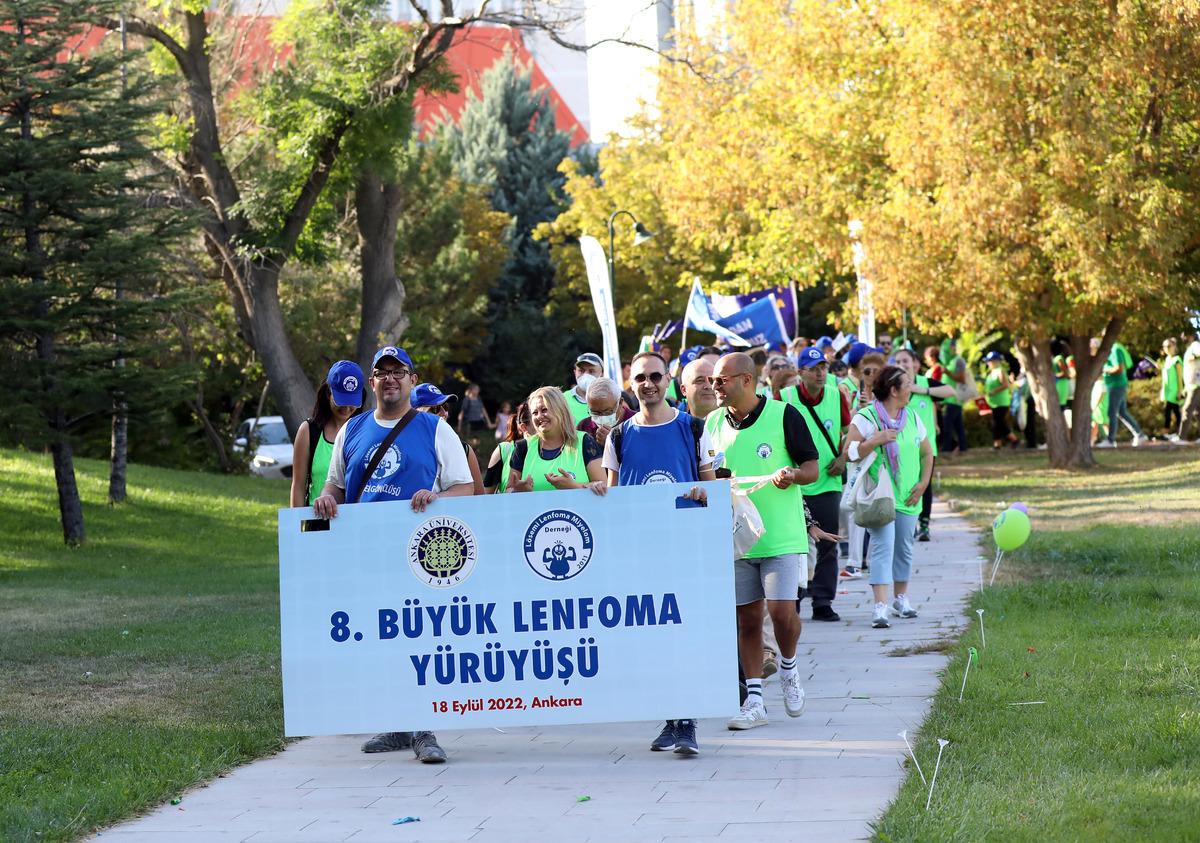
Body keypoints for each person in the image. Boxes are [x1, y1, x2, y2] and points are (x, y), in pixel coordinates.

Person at [312, 346, 474, 764]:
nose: (390, 379)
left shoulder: (434, 430)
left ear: (411, 379)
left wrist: (435, 496)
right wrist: (326, 500)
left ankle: (424, 730)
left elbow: (465, 487)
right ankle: (398, 725)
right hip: (367, 555)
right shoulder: (353, 430)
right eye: (381, 372)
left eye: (398, 372)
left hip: (423, 556)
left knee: (420, 639)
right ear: (372, 383)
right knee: (383, 640)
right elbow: (336, 486)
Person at [603, 351, 715, 756]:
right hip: (640, 553)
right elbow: (614, 499)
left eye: (655, 376)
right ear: (629, 384)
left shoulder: (695, 429)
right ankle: (671, 719)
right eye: (640, 378)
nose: (648, 384)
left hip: (684, 551)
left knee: (684, 636)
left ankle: (687, 723)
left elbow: (713, 491)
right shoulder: (618, 436)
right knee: (654, 639)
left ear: (669, 380)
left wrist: (703, 494)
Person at [706, 352, 819, 730]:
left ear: (747, 380)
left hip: (782, 535)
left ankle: (788, 666)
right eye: (711, 382)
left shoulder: (784, 415)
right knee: (747, 619)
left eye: (721, 380)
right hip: (737, 538)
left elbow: (812, 469)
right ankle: (754, 699)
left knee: (782, 613)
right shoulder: (711, 424)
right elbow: (708, 472)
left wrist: (792, 475)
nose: (714, 387)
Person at [844, 365, 934, 630]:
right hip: (880, 495)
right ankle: (880, 605)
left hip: (908, 495)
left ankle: (900, 598)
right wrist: (875, 440)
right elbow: (848, 452)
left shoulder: (913, 418)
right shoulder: (867, 416)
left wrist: (923, 482)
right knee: (883, 547)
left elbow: (927, 453)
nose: (911, 389)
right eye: (907, 384)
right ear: (893, 390)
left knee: (904, 548)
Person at [780, 347, 851, 621]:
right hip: (795, 484)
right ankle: (794, 599)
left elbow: (849, 432)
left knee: (828, 544)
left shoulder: (836, 396)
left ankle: (822, 601)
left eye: (824, 367)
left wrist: (844, 457)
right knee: (795, 545)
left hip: (828, 482)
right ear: (801, 373)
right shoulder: (784, 397)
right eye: (814, 368)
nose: (821, 373)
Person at [894, 348, 954, 541]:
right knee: (904, 482)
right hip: (901, 446)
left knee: (924, 484)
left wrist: (925, 391)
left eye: (905, 361)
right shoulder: (894, 388)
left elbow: (950, 391)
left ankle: (925, 525)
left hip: (926, 447)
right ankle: (907, 524)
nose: (902, 365)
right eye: (898, 361)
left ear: (915, 363)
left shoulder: (925, 383)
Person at [290, 360, 365, 508]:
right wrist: (296, 527)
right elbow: (298, 486)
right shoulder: (308, 431)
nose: (347, 408)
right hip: (318, 522)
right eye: (341, 401)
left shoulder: (366, 431)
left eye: (352, 402)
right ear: (327, 393)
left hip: (356, 522)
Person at [507, 387, 606, 494]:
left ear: (561, 410)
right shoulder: (523, 447)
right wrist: (518, 491)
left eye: (544, 410)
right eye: (535, 413)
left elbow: (602, 486)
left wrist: (574, 486)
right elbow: (508, 491)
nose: (539, 416)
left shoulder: (584, 441)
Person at [413, 383, 485, 495]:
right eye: (435, 408)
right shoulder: (401, 447)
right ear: (414, 413)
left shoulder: (464, 449)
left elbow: (480, 497)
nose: (444, 413)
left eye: (445, 407)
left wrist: (437, 498)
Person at [1096, 337, 1146, 447]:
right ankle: (1140, 435)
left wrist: (1104, 369)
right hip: (1114, 384)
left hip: (1117, 385)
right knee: (1121, 412)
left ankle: (1110, 440)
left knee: (1111, 412)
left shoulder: (1115, 349)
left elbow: (1120, 368)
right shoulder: (1110, 349)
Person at [484, 402, 531, 493]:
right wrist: (516, 490)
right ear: (523, 427)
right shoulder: (504, 449)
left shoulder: (556, 449)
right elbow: (486, 494)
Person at [577, 376, 634, 449]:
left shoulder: (637, 423)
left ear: (620, 403)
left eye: (607, 412)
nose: (601, 417)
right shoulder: (584, 426)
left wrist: (612, 444)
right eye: (595, 412)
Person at [938, 339, 970, 454]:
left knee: (948, 427)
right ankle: (963, 448)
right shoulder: (949, 362)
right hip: (949, 400)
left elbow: (961, 379)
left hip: (954, 399)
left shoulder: (959, 361)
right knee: (958, 426)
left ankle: (947, 449)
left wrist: (947, 373)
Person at [983, 351, 1019, 449]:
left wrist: (994, 391)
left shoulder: (1000, 371)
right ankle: (1011, 440)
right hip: (994, 403)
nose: (988, 364)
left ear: (994, 361)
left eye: (989, 361)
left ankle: (1001, 443)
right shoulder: (992, 372)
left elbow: (1006, 385)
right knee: (999, 423)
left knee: (998, 423)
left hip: (1001, 402)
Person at [563, 352, 604, 426]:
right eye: (581, 371)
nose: (586, 375)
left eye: (591, 371)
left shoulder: (610, 399)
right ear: (575, 372)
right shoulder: (563, 399)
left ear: (602, 373)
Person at [1179, 331, 1200, 442]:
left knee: (1187, 410)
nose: (1182, 337)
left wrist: (1194, 356)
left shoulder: (1195, 345)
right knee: (1198, 412)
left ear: (1191, 336)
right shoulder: (1189, 348)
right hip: (1191, 385)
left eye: (1185, 335)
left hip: (1196, 384)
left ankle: (1181, 438)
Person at [1160, 338, 1183, 439]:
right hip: (1167, 392)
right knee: (1173, 412)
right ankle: (1176, 433)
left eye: (1169, 346)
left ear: (1174, 347)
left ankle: (1177, 433)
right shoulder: (1167, 360)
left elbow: (1179, 377)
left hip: (1174, 391)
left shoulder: (1177, 360)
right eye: (1165, 346)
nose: (1167, 348)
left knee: (1172, 412)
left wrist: (1180, 391)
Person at [457, 383, 492, 447]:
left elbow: (483, 410)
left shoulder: (479, 399)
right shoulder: (467, 399)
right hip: (470, 423)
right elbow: (462, 413)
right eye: (476, 389)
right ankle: (468, 453)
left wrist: (489, 422)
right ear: (471, 390)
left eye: (478, 389)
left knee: (477, 440)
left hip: (479, 422)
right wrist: (459, 425)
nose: (478, 390)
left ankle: (474, 453)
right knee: (469, 440)